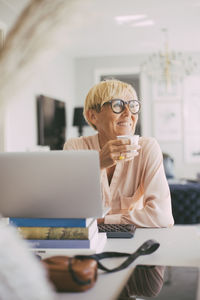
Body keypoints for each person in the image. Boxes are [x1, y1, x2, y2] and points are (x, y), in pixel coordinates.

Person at [64, 79, 174, 227]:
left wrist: (104, 221)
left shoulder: (147, 148)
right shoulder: (75, 147)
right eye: (117, 105)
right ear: (93, 116)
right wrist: (96, 165)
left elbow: (162, 217)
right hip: (87, 242)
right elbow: (66, 210)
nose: (129, 113)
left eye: (133, 106)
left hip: (134, 241)